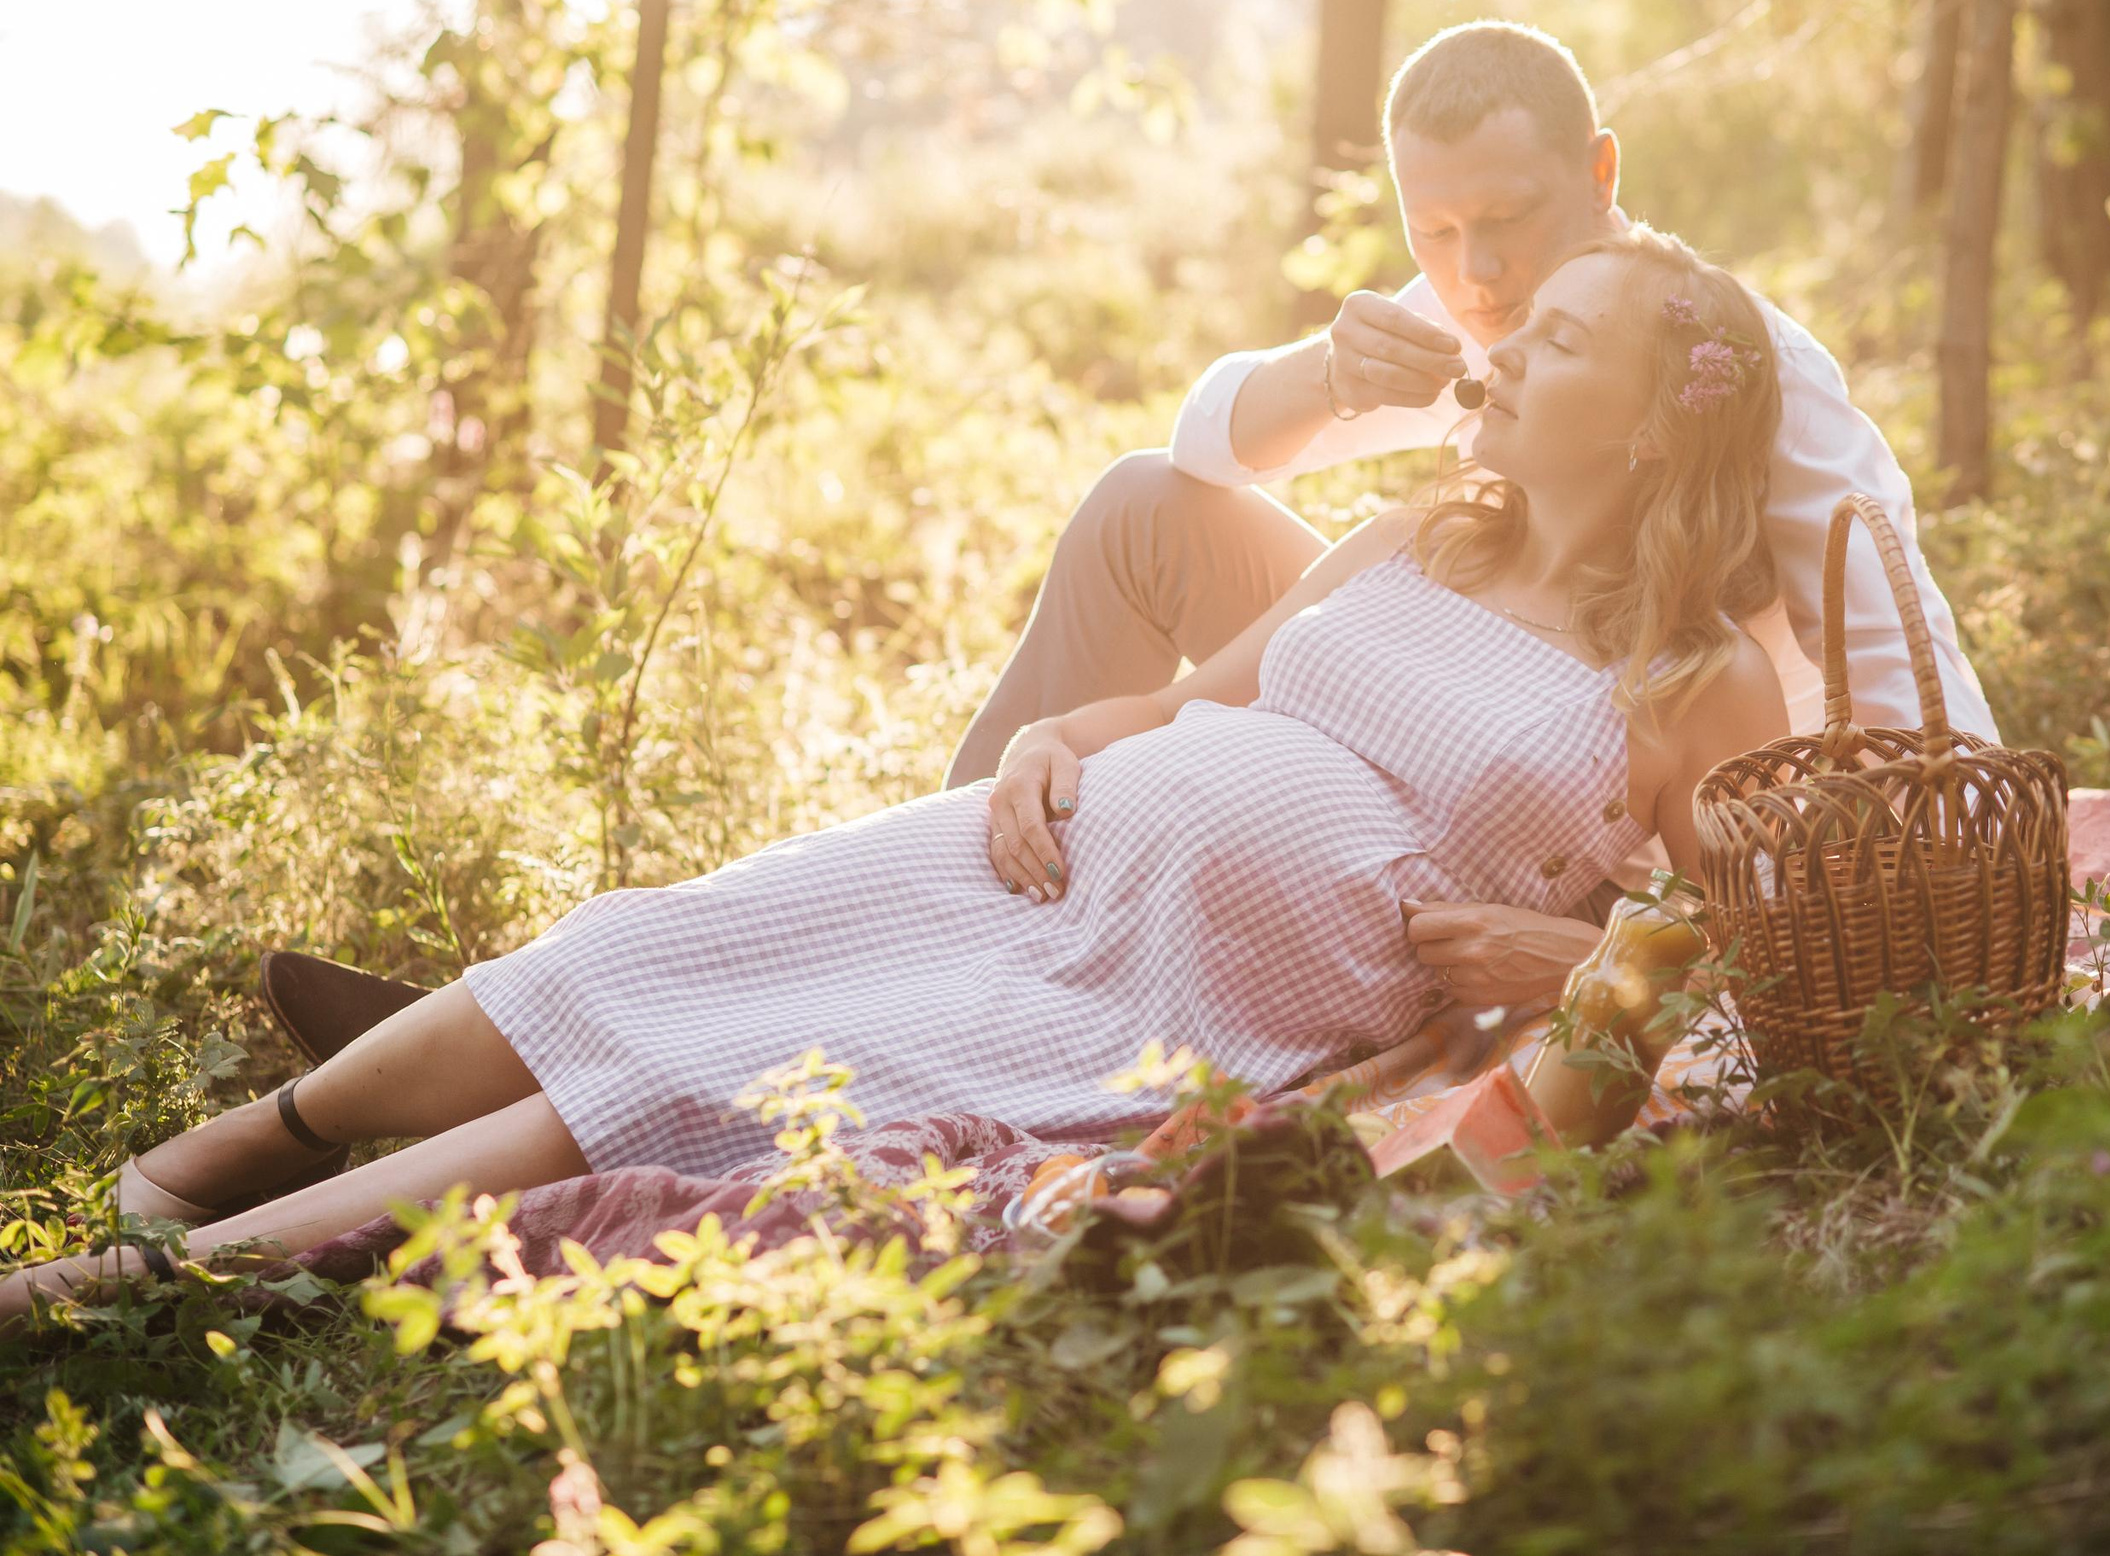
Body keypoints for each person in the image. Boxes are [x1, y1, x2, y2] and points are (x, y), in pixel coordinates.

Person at [1, 225, 1792, 1327]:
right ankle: (222, 1150)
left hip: (1193, 988)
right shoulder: (1417, 531)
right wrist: (1042, 742)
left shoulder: (1696, 676)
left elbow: (1769, 955)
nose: (1499, 345)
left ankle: (133, 1287)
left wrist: (1569, 968)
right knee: (662, 945)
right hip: (1043, 860)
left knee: (697, 1079)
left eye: (1557, 338)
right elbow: (1204, 700)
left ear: (1648, 424)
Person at [939, 20, 1994, 1010]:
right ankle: (974, 850)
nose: (1474, 275)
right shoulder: (1477, 293)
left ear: (1599, 173)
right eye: (1432, 230)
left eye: (1502, 220)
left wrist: (1768, 924)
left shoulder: (1731, 367)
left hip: (1590, 799)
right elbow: (1203, 441)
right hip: (1436, 702)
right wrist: (1328, 374)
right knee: (1145, 504)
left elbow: (1912, 687)